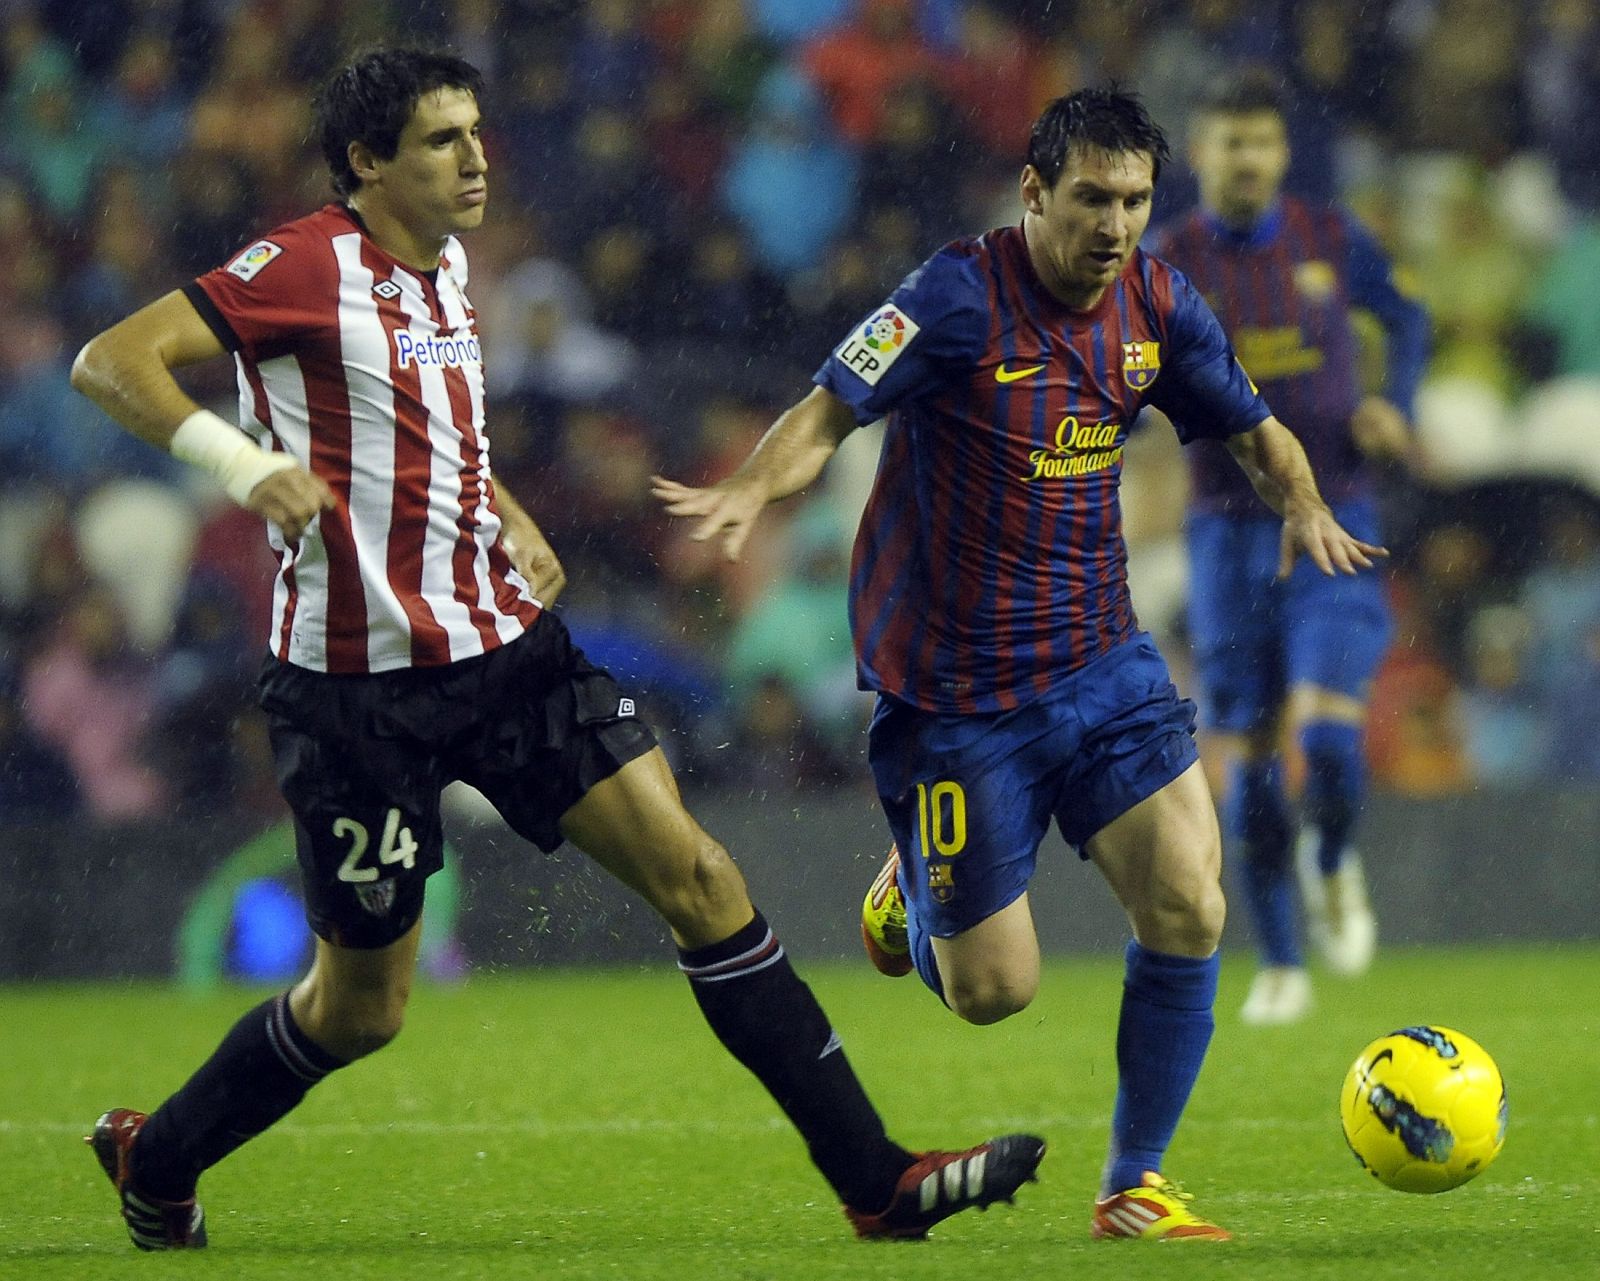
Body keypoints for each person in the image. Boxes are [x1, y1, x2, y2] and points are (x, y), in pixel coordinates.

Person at [70, 47, 1044, 1253]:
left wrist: (510, 516)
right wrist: (245, 463)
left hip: (508, 654)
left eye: (476, 131)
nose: (477, 157)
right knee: (360, 1010)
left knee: (701, 879)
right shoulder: (305, 265)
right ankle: (155, 1159)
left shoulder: (456, 268)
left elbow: (434, 439)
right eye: (441, 140)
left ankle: (875, 1182)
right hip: (354, 696)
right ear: (368, 163)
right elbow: (108, 362)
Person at [655, 85, 1385, 1242]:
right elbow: (828, 407)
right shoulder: (953, 296)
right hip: (956, 699)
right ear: (1034, 191)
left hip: (1103, 663)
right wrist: (752, 483)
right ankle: (913, 880)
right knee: (993, 994)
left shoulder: (1156, 301)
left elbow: (1253, 427)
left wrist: (1301, 504)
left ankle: (1132, 1181)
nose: (1115, 225)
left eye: (1136, 201)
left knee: (1191, 902)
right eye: (1091, 198)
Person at [1153, 70, 1429, 1025]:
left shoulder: (1328, 238)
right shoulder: (1170, 260)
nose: (1247, 159)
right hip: (1227, 533)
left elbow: (1407, 317)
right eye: (1231, 142)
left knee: (1324, 731)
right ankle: (1279, 959)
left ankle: (1333, 853)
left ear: (1280, 152)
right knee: (1254, 756)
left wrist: (1400, 401)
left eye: (1262, 142)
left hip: (1339, 512)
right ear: (1202, 151)